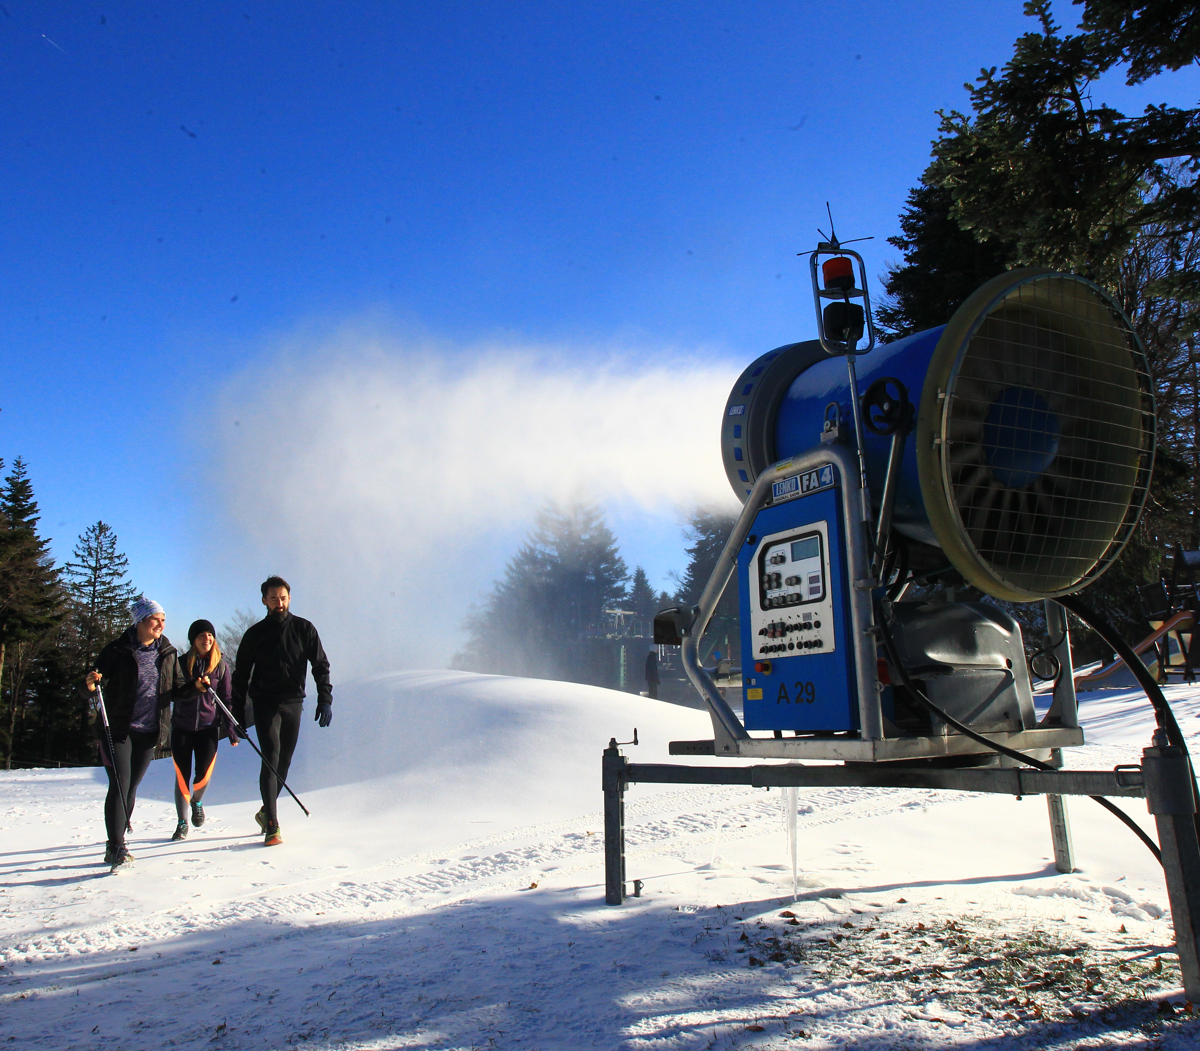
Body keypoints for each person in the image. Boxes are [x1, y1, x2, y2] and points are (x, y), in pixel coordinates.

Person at [82, 597, 196, 868]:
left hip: (149, 731)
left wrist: (196, 688)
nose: (161, 624)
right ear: (140, 621)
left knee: (131, 787)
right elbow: (92, 680)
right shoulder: (117, 650)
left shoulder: (167, 652)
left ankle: (118, 840)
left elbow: (177, 690)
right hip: (118, 730)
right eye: (155, 619)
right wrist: (88, 684)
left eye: (163, 619)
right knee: (120, 784)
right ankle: (115, 847)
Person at [231, 576, 333, 847]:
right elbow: (240, 675)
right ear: (264, 600)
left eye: (283, 597)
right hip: (265, 703)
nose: (279, 602)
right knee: (271, 757)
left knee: (284, 762)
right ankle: (273, 826)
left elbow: (320, 665)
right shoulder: (254, 634)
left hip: (293, 703)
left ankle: (266, 811)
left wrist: (325, 698)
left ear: (289, 598)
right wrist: (237, 713)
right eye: (273, 598)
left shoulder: (304, 629)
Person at [169, 619, 237, 841]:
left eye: (209, 635)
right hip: (182, 727)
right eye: (201, 635)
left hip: (208, 728)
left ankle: (197, 800)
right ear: (193, 640)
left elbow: (226, 699)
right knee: (182, 776)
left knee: (203, 776)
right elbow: (174, 693)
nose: (206, 639)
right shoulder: (179, 664)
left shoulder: (221, 666)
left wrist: (232, 730)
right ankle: (181, 822)